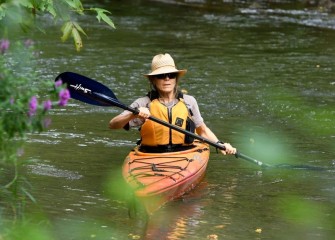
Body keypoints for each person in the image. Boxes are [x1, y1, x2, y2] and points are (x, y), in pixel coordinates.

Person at [109, 53, 236, 155]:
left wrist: (220, 144)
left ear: (176, 78)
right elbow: (113, 125)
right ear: (153, 79)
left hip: (185, 154)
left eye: (171, 75)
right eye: (161, 76)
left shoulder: (189, 102)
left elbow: (202, 131)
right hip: (151, 154)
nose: (167, 79)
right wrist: (133, 114)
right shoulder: (143, 103)